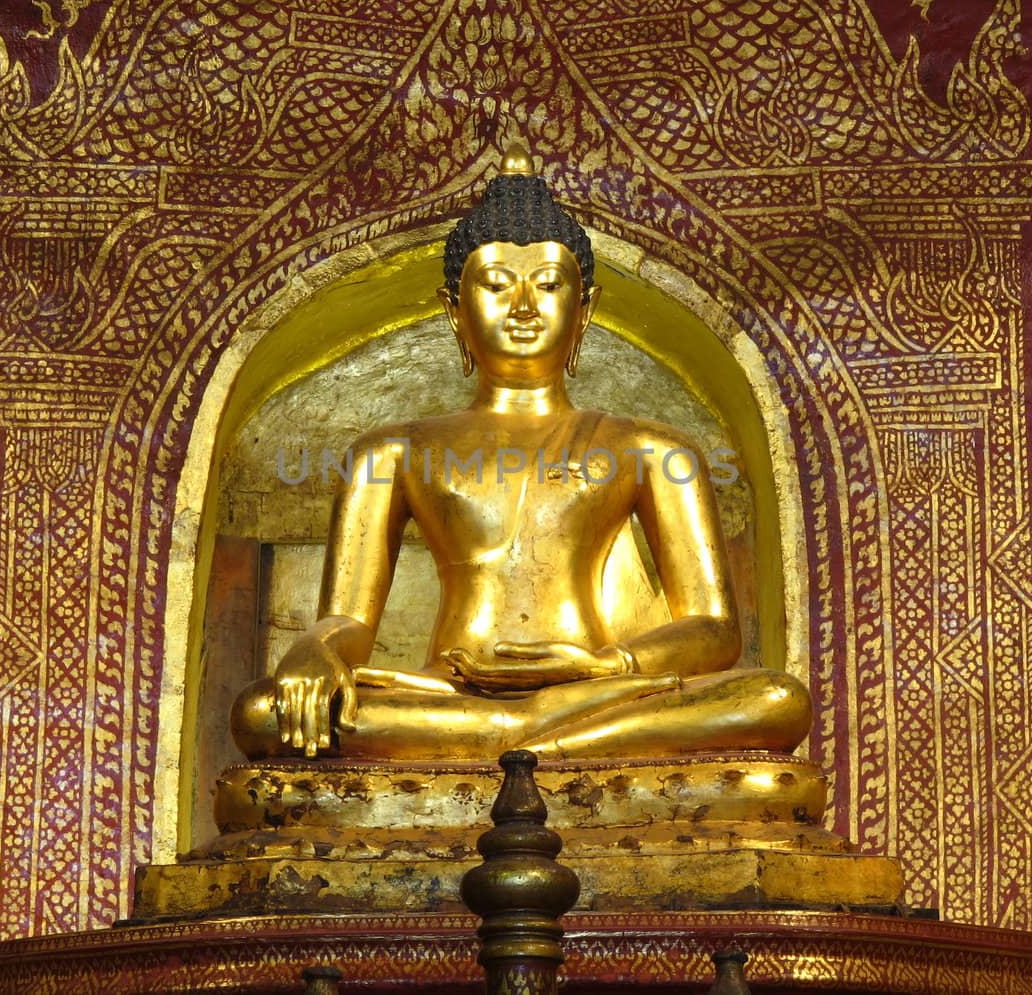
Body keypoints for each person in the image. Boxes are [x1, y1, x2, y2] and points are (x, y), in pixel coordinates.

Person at [231, 149, 811, 761]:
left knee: (775, 700)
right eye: (497, 285)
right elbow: (346, 619)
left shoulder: (651, 448)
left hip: (598, 689)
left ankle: (524, 739)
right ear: (455, 311)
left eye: (550, 285)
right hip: (451, 697)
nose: (525, 306)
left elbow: (714, 629)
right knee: (263, 714)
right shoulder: (392, 452)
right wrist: (314, 650)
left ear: (583, 310)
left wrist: (603, 666)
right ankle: (538, 743)